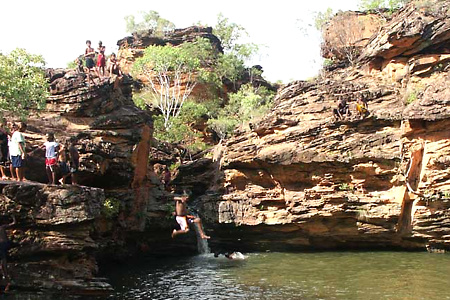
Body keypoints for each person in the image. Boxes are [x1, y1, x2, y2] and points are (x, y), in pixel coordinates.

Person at [0, 215, 15, 293]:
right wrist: (13, 217)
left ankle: (7, 281)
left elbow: (13, 223)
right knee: (3, 263)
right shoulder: (2, 227)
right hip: (5, 245)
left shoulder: (2, 227)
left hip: (3, 245)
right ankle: (7, 281)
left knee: (3, 263)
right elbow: (13, 223)